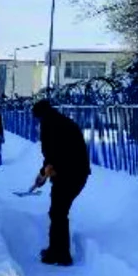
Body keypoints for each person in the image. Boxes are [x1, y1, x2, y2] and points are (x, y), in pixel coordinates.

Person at [28, 99, 90, 266]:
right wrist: (44, 173)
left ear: (40, 115)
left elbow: (53, 154)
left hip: (70, 175)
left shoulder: (50, 125)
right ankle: (56, 250)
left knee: (58, 213)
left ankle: (61, 255)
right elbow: (54, 155)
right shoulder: (61, 121)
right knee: (57, 212)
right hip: (76, 173)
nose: (37, 122)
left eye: (37, 118)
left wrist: (44, 173)